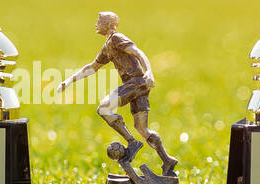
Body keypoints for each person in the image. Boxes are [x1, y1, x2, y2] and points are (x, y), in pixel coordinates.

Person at [56, 11, 178, 175]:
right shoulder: (107, 46)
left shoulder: (116, 38)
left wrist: (149, 71)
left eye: (99, 21)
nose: (96, 24)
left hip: (135, 82)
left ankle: (131, 142)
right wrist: (69, 80)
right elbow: (92, 67)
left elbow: (138, 52)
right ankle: (167, 160)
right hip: (139, 86)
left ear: (109, 24)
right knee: (142, 129)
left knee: (104, 108)